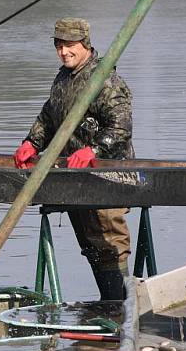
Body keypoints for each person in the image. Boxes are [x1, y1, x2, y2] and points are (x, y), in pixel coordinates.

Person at [13, 17, 133, 300]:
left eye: (69, 46)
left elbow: (121, 128)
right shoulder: (64, 78)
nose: (64, 52)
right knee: (89, 242)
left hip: (107, 175)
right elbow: (49, 115)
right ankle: (110, 301)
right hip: (74, 175)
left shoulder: (106, 80)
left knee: (109, 238)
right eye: (59, 46)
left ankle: (122, 304)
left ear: (85, 45)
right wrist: (32, 142)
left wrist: (94, 150)